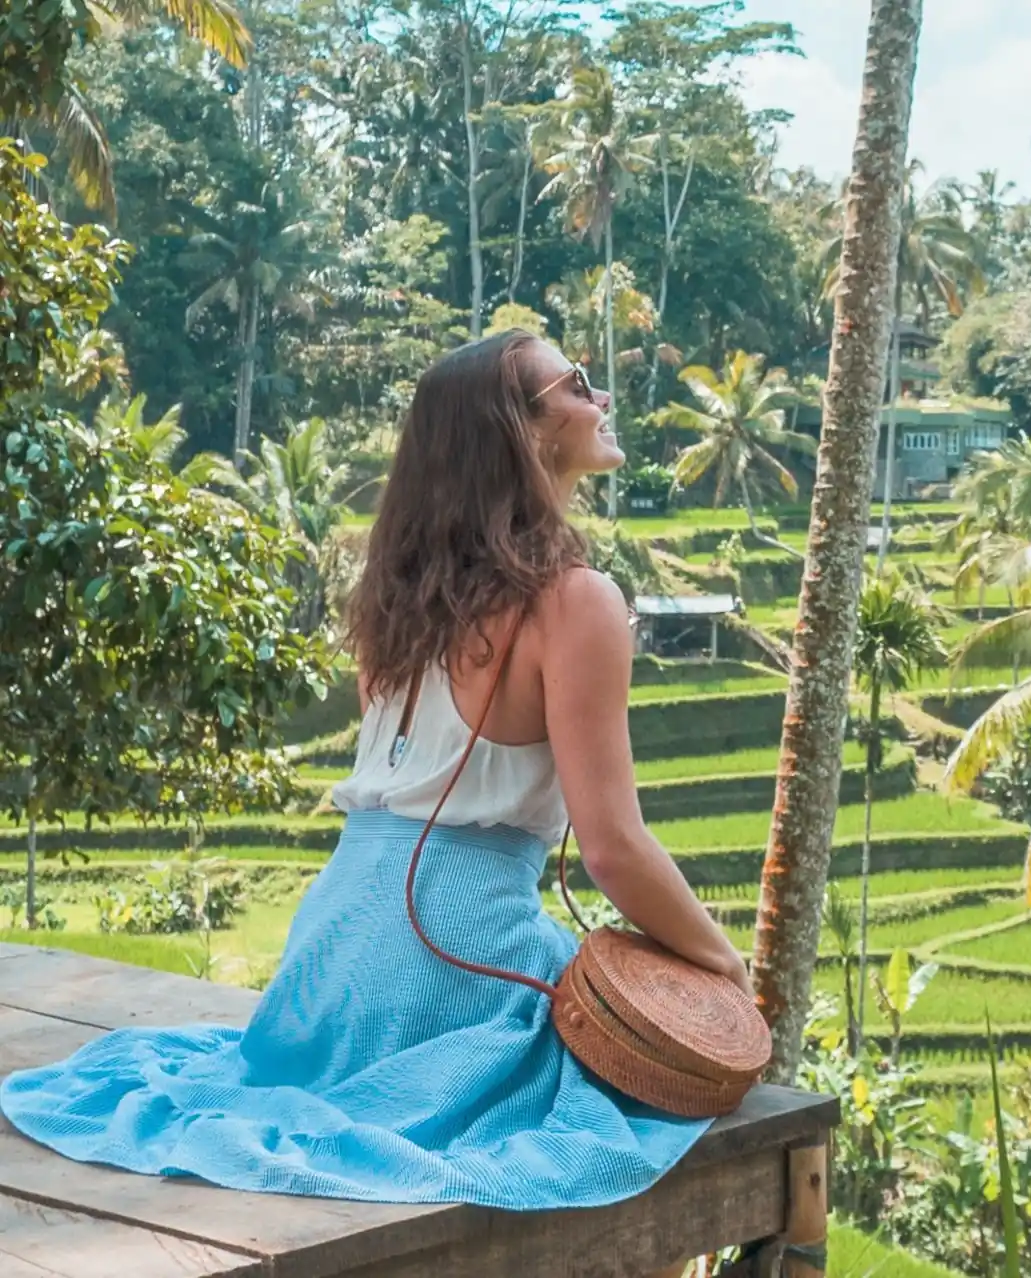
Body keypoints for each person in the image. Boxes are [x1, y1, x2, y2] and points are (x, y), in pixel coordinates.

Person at [0, 331, 748, 1215]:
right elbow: (613, 850)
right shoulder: (578, 602)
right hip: (457, 946)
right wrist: (724, 967)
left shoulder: (399, 599)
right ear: (522, 428)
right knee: (618, 1100)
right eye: (578, 383)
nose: (602, 398)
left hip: (335, 945)